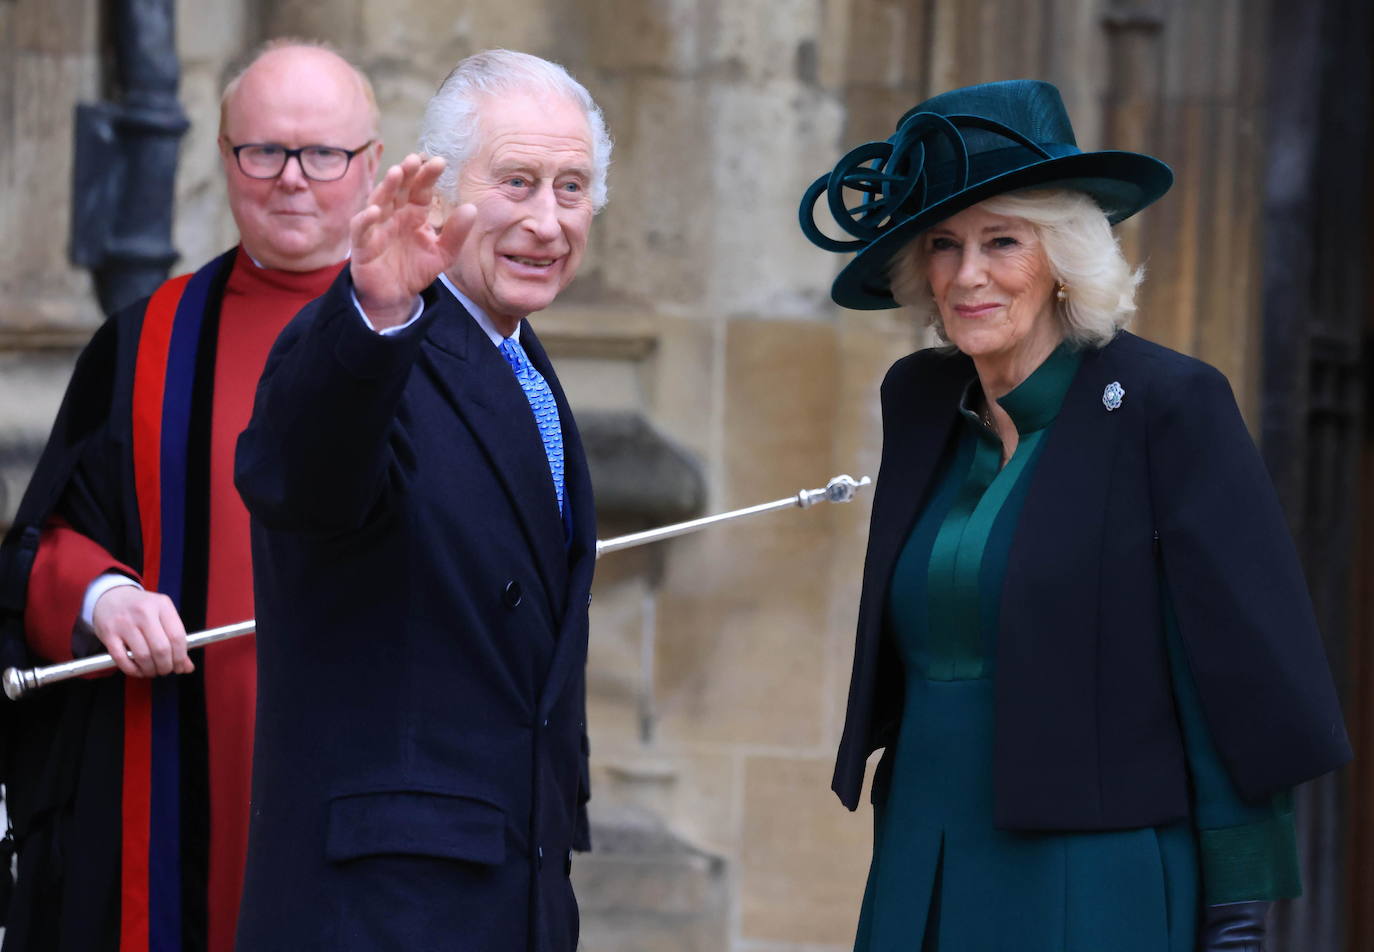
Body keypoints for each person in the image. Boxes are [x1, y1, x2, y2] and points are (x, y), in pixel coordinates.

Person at [798, 80, 1351, 952]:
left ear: (1062, 255)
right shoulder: (921, 401)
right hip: (920, 855)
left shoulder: (1171, 404)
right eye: (943, 244)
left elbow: (1231, 667)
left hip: (1095, 874)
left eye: (1001, 240)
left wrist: (1236, 908)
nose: (967, 274)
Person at [0, 41, 381, 952]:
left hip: (380, 784)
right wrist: (105, 595)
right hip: (173, 781)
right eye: (264, 151)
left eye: (323, 154)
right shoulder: (147, 343)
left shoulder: (444, 346)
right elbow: (44, 542)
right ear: (224, 157)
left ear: (371, 169)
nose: (293, 179)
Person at [231, 49, 609, 951]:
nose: (547, 221)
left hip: (512, 891)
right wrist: (373, 315)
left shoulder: (524, 363)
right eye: (516, 182)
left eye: (571, 187)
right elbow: (298, 481)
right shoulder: (372, 335)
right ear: (438, 194)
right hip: (381, 906)